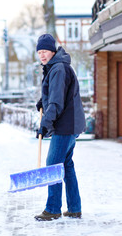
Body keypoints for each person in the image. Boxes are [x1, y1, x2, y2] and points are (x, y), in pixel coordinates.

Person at [34, 34, 86, 221]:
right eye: (39, 52)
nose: (42, 55)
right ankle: (74, 208)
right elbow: (57, 94)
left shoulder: (58, 69)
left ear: (53, 51)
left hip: (64, 125)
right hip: (70, 124)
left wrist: (44, 125)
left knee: (53, 166)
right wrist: (43, 101)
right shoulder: (57, 67)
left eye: (45, 51)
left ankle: (53, 209)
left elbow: (57, 102)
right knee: (66, 166)